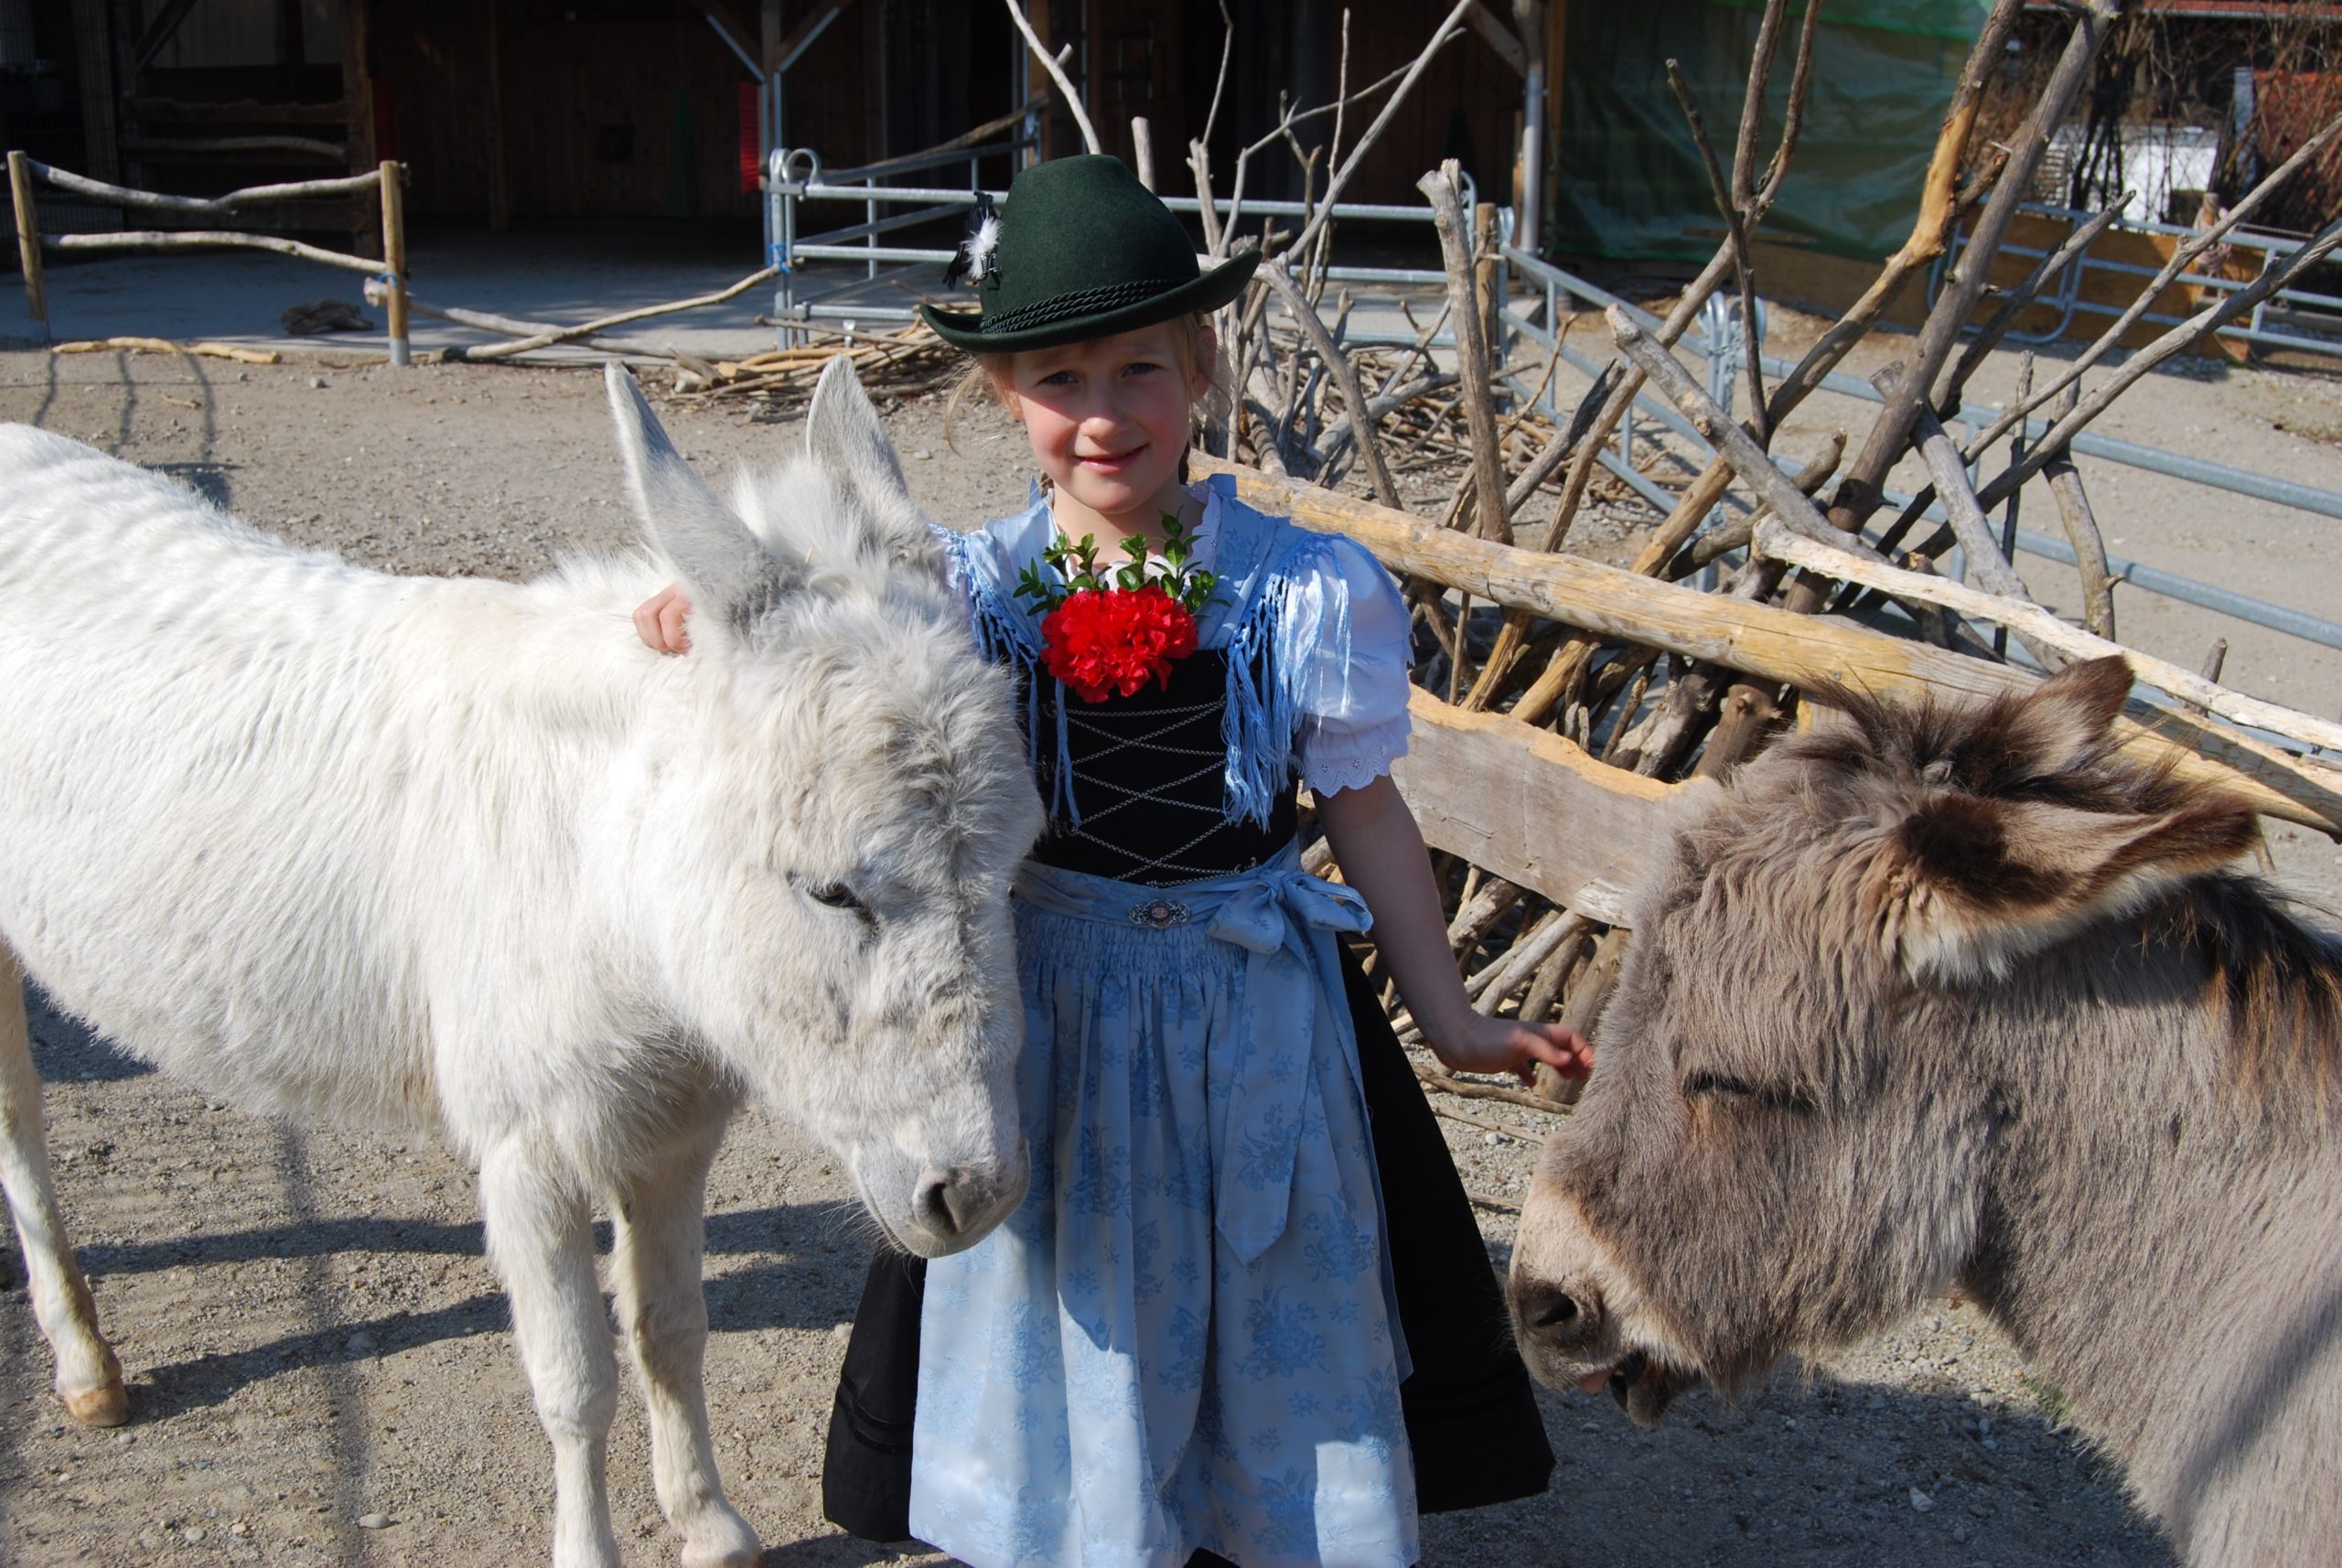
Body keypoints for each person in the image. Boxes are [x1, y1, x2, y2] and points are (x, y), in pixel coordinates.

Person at [634, 154, 1592, 1568]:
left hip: (1255, 1014)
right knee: (1080, 1303)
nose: (1101, 415)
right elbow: (815, 626)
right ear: (1004, 394)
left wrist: (1449, 1016)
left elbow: (1366, 810)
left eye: (1138, 369)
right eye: (1058, 379)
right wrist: (695, 609)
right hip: (1063, 1024)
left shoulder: (1305, 591)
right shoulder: (958, 593)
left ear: (1199, 369)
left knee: (1265, 1289)